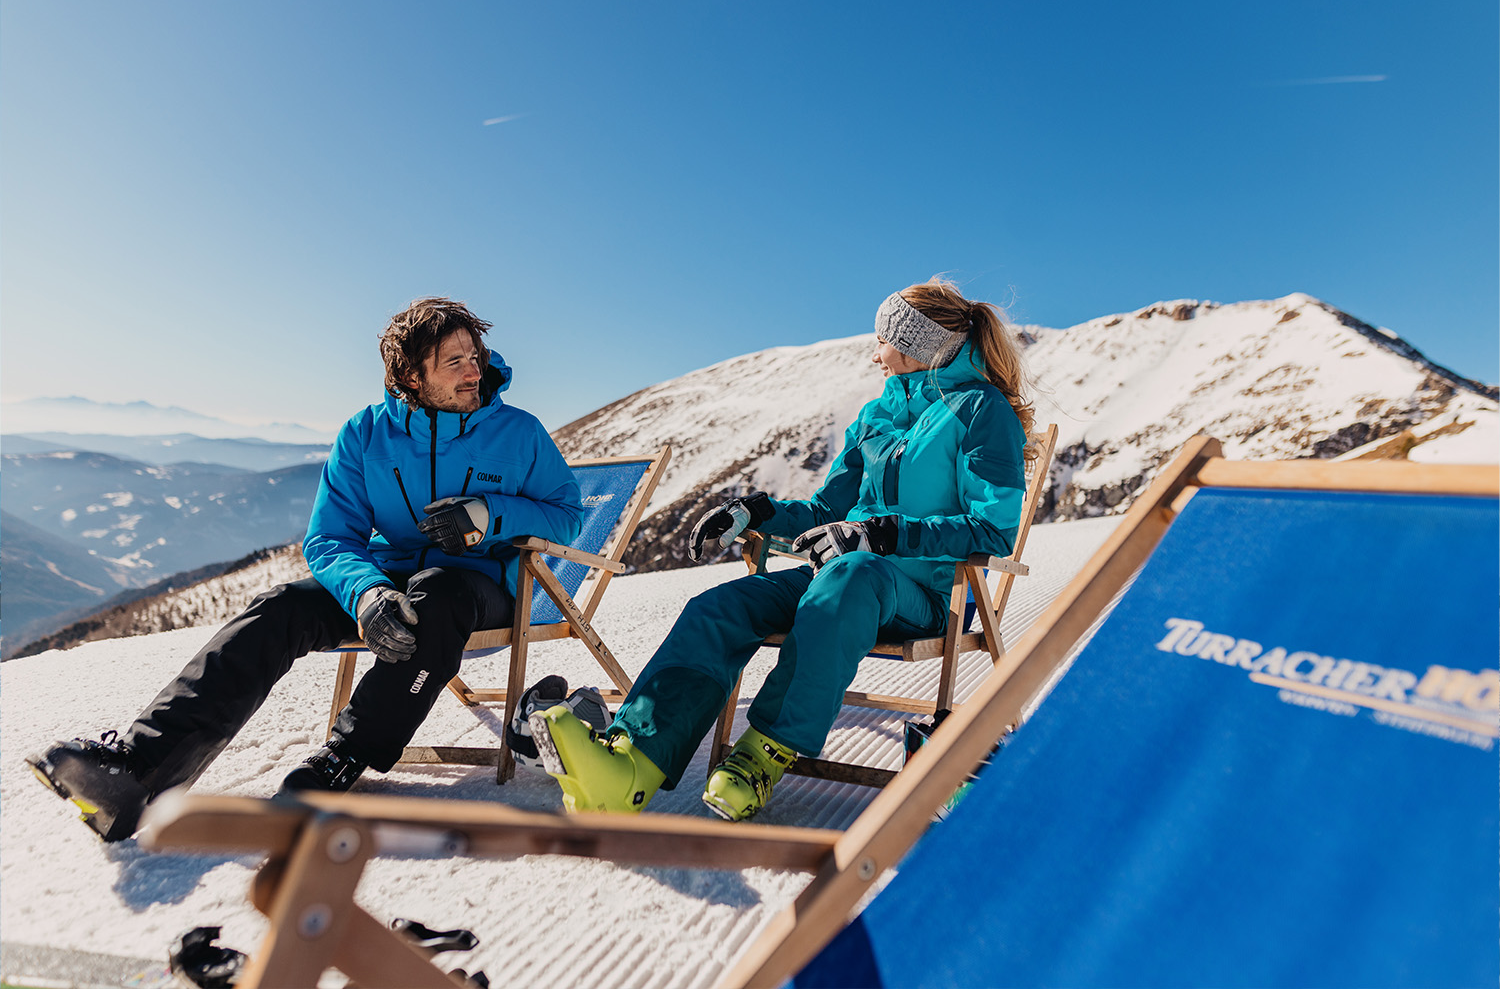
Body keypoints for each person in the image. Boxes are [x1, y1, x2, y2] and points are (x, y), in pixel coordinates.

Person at [26, 297, 584, 842]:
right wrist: (365, 595)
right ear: (412, 378)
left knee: (437, 594)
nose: (473, 372)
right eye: (454, 362)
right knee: (282, 607)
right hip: (390, 579)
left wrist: (489, 514)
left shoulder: (518, 432)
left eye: (475, 356)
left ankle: (346, 756)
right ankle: (139, 771)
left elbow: (567, 518)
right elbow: (331, 537)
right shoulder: (366, 434)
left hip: (486, 586)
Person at [530, 278, 1035, 821]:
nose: (874, 354)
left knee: (854, 572)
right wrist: (758, 513)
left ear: (916, 343)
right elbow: (827, 513)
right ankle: (629, 764)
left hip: (930, 595)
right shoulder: (877, 416)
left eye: (883, 340)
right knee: (721, 609)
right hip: (844, 578)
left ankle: (761, 755)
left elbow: (991, 530)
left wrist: (885, 534)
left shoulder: (982, 413)